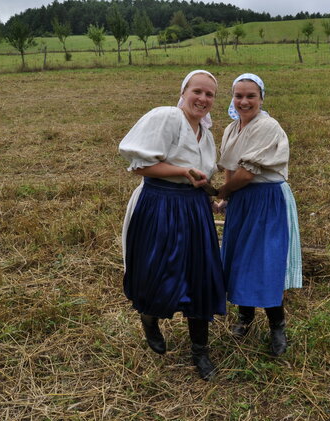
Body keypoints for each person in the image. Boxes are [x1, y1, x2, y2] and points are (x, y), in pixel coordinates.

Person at [118, 70, 225, 380]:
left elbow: (200, 176)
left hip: (194, 207)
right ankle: (149, 317)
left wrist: (210, 197)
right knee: (155, 271)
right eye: (198, 91)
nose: (203, 99)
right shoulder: (166, 117)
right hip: (160, 204)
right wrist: (182, 171)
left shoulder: (206, 134)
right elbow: (139, 165)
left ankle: (200, 352)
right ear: (184, 91)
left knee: (200, 275)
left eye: (210, 95)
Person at [216, 73, 302, 356]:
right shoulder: (232, 129)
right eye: (238, 96)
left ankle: (277, 325)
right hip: (243, 200)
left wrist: (222, 193)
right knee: (240, 258)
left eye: (250, 96)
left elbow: (247, 173)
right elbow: (230, 167)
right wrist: (227, 197)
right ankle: (245, 318)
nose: (244, 101)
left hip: (267, 200)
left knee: (266, 261)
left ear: (261, 98)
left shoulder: (267, 126)